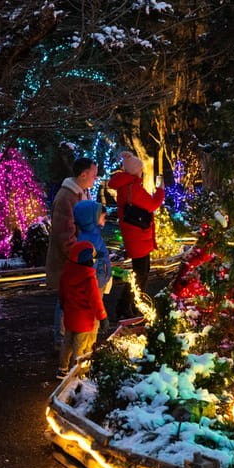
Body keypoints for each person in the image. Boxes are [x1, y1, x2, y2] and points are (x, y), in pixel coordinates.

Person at [45, 156, 98, 350]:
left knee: (71, 300)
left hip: (77, 258)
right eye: (93, 174)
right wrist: (79, 256)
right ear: (83, 174)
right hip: (68, 261)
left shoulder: (81, 193)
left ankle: (69, 338)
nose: (95, 178)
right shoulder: (67, 197)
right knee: (65, 300)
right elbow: (64, 234)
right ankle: (61, 341)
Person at [107, 150, 165, 319]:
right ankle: (126, 306)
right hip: (138, 235)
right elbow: (153, 204)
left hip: (135, 234)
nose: (142, 171)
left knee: (142, 272)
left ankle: (133, 304)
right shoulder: (133, 187)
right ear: (134, 171)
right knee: (141, 273)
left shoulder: (126, 185)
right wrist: (160, 190)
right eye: (140, 168)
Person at [57, 240, 108, 379]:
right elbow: (95, 300)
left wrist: (63, 305)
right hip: (84, 320)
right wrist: (103, 317)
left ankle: (62, 369)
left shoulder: (66, 273)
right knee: (80, 347)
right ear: (87, 260)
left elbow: (62, 293)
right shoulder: (89, 278)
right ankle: (78, 373)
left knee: (67, 342)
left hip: (70, 316)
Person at [73, 199, 112, 296]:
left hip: (98, 281)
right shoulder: (91, 239)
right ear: (92, 219)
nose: (104, 221)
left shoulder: (93, 235)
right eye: (103, 218)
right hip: (94, 285)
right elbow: (90, 265)